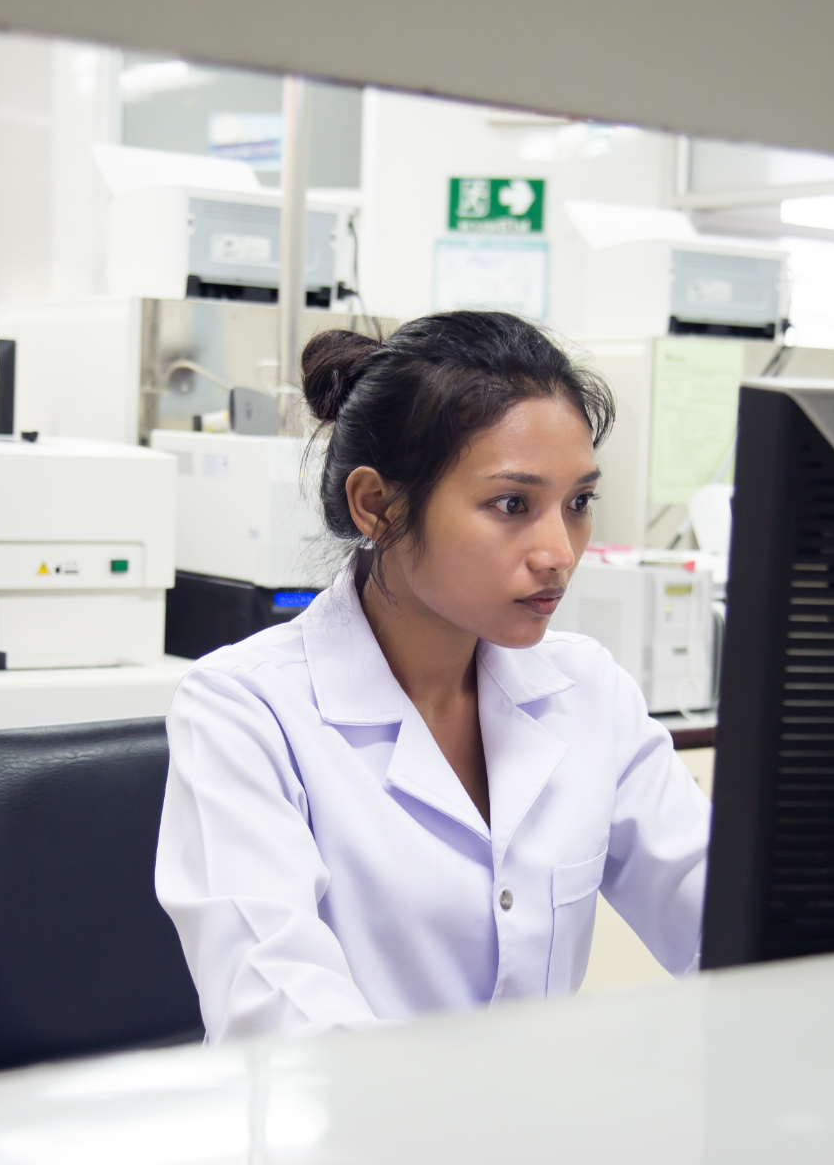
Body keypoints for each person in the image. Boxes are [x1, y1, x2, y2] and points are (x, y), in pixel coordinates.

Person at [155, 311, 711, 1041]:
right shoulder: (245, 711)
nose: (559, 552)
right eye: (512, 505)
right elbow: (282, 1017)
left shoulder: (587, 692)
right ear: (376, 506)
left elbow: (723, 918)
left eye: (576, 504)